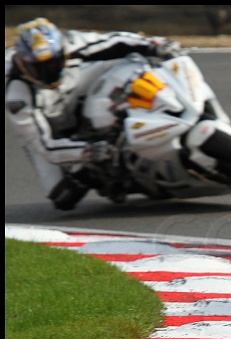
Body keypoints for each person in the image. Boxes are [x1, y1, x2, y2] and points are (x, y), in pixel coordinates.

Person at [5, 17, 183, 210]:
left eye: (53, 63)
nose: (48, 72)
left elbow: (117, 40)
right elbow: (45, 146)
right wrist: (87, 152)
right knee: (63, 195)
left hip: (78, 87)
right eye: (38, 68)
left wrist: (155, 44)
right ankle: (105, 174)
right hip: (47, 124)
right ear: (23, 63)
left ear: (62, 52)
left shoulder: (74, 43)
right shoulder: (15, 94)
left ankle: (153, 111)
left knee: (134, 60)